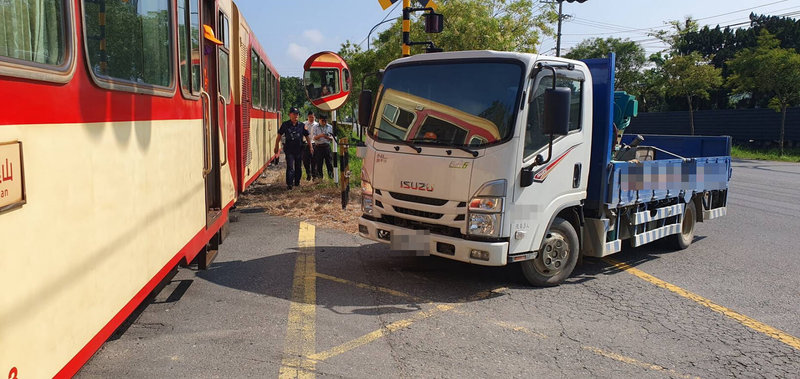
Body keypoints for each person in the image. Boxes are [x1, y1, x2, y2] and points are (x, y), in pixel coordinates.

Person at [275, 107, 313, 189]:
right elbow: (279, 136)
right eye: (294, 114)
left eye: (297, 114)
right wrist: (276, 146)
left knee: (298, 166)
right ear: (290, 115)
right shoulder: (285, 125)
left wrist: (311, 147)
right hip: (289, 149)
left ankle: (297, 182)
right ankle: (289, 184)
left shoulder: (302, 126)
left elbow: (307, 137)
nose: (296, 116)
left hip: (299, 149)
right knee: (290, 166)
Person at [312, 114, 334, 179]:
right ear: (319, 120)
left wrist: (327, 137)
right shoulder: (315, 127)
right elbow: (314, 138)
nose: (324, 122)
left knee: (329, 163)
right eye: (322, 121)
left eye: (325, 121)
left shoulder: (330, 127)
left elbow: (333, 138)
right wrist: (321, 135)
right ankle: (320, 178)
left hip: (327, 146)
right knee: (319, 164)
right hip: (318, 147)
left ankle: (331, 177)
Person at [302, 111, 318, 180]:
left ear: (315, 117)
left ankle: (314, 175)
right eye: (310, 117)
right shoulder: (303, 124)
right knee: (305, 161)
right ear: (307, 117)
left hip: (314, 144)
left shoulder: (317, 125)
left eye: (313, 117)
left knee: (314, 161)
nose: (311, 118)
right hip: (305, 144)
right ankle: (308, 174)